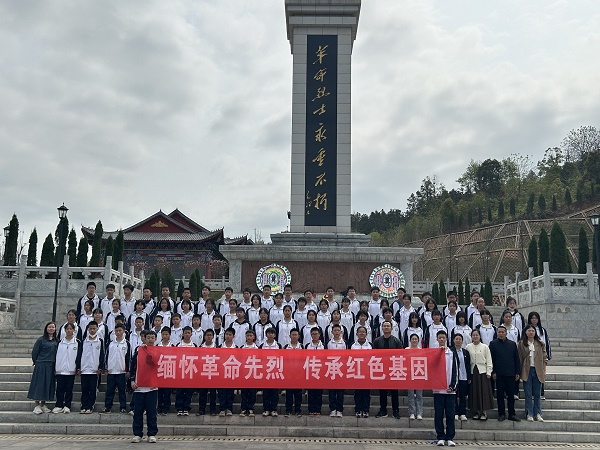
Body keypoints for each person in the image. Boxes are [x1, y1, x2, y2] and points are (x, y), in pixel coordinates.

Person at [130, 329, 158, 443]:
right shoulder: (138, 351)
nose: (150, 340)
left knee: (152, 412)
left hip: (152, 387)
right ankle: (138, 434)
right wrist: (132, 381)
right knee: (138, 412)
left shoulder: (158, 351)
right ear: (144, 339)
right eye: (148, 338)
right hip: (139, 387)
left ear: (155, 339)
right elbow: (133, 368)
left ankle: (151, 434)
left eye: (152, 337)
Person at [489, 326, 521, 422]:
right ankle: (501, 413)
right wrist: (493, 371)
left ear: (506, 333)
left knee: (511, 395)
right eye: (499, 332)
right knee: (500, 395)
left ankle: (512, 413)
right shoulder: (493, 344)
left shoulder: (512, 344)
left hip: (511, 374)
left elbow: (516, 359)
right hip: (499, 374)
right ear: (497, 333)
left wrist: (517, 372)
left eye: (503, 332)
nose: (501, 334)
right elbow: (491, 359)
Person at [433, 330, 458, 447]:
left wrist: (453, 386)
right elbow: (431, 369)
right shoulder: (433, 353)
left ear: (446, 339)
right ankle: (440, 437)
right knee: (438, 414)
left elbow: (455, 371)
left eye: (443, 337)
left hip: (450, 390)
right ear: (437, 339)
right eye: (440, 338)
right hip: (438, 389)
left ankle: (450, 437)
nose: (442, 339)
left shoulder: (452, 353)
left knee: (450, 414)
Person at [518, 324, 548, 422]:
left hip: (538, 370)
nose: (531, 332)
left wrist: (544, 369)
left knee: (537, 394)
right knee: (528, 393)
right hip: (527, 370)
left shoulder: (540, 343)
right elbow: (519, 358)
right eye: (529, 331)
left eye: (532, 331)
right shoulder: (522, 343)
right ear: (525, 332)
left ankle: (538, 413)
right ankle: (529, 413)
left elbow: (544, 357)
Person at [373, 320, 402, 419]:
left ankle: (395, 410)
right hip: (381, 369)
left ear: (391, 328)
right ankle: (383, 410)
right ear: (382, 328)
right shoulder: (377, 341)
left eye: (388, 326)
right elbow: (374, 355)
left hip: (393, 369)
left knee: (394, 391)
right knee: (382, 391)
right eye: (384, 326)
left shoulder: (396, 341)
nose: (386, 327)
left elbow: (400, 356)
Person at [28, 322, 58, 414]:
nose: (51, 329)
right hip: (41, 364)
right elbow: (35, 352)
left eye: (53, 327)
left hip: (51, 365)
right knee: (39, 384)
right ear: (46, 328)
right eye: (49, 327)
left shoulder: (56, 341)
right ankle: (37, 405)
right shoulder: (41, 340)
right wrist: (36, 362)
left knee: (47, 385)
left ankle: (43, 404)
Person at [53, 322, 82, 414]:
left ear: (74, 330)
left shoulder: (77, 342)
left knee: (69, 389)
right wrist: (55, 367)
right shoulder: (59, 342)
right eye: (67, 329)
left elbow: (79, 356)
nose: (69, 331)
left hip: (71, 370)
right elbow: (56, 355)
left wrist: (77, 367)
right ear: (64, 330)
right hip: (60, 369)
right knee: (60, 388)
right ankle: (59, 405)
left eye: (71, 329)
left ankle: (67, 405)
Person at [102, 324, 131, 414]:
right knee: (110, 390)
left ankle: (123, 407)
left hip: (121, 371)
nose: (118, 333)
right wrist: (106, 368)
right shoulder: (110, 343)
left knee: (122, 391)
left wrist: (128, 370)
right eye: (116, 331)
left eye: (120, 331)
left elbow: (128, 358)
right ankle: (108, 407)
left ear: (124, 331)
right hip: (111, 371)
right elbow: (106, 357)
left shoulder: (126, 343)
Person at [465, 329, 493, 421]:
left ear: (480, 336)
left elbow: (489, 360)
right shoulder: (468, 347)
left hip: (483, 372)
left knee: (483, 392)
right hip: (473, 372)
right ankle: (476, 412)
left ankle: (484, 412)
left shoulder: (485, 347)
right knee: (474, 392)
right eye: (473, 335)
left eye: (477, 335)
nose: (475, 337)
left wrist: (489, 372)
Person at [79, 321, 105, 414]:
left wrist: (100, 368)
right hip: (84, 369)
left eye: (94, 328)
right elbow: (79, 354)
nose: (92, 330)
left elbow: (102, 355)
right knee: (84, 389)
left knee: (92, 389)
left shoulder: (100, 341)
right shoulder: (83, 341)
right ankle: (84, 406)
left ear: (97, 329)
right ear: (87, 329)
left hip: (94, 370)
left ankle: (90, 406)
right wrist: (79, 367)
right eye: (90, 329)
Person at [528, 311, 551, 399]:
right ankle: (532, 393)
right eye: (532, 318)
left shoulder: (542, 330)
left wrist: (547, 355)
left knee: (541, 374)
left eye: (536, 318)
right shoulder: (526, 329)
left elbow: (546, 343)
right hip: (530, 354)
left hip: (540, 354)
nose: (534, 320)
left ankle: (541, 393)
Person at [351, 325, 371, 418]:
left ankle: (366, 410)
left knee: (366, 392)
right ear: (357, 334)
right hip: (356, 371)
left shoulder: (370, 345)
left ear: (366, 334)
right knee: (358, 392)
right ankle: (358, 409)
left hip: (367, 372)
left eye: (363, 332)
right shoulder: (353, 345)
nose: (362, 334)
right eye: (360, 332)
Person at [260, 328, 281, 416]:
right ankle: (266, 409)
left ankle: (274, 409)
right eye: (269, 333)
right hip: (265, 371)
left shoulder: (278, 345)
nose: (270, 335)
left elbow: (281, 358)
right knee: (266, 392)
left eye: (272, 333)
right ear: (266, 335)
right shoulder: (262, 345)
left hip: (275, 371)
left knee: (274, 392)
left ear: (275, 335)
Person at [327, 324, 347, 417]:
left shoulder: (344, 343)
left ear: (341, 332)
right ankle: (333, 409)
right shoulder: (328, 343)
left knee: (340, 392)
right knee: (332, 391)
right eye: (335, 330)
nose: (336, 332)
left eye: (338, 330)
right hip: (331, 369)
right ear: (332, 332)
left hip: (341, 369)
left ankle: (339, 410)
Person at [197, 328, 217, 416]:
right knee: (202, 393)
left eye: (210, 335)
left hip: (213, 372)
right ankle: (201, 409)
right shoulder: (200, 347)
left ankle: (212, 410)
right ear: (204, 336)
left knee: (213, 393)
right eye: (207, 335)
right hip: (203, 372)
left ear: (213, 337)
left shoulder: (217, 347)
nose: (209, 337)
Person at [305, 327, 324, 415]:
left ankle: (318, 409)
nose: (315, 336)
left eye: (316, 334)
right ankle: (311, 409)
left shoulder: (324, 345)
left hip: (320, 371)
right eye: (313, 334)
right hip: (310, 371)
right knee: (311, 392)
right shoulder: (307, 346)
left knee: (318, 393)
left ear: (319, 335)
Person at [284, 328, 303, 417]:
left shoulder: (302, 347)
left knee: (298, 393)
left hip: (299, 374)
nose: (294, 336)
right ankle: (288, 410)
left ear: (299, 336)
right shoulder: (286, 347)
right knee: (289, 393)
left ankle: (298, 410)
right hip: (289, 374)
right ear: (290, 336)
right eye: (293, 335)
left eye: (296, 335)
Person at [452, 333, 471, 422]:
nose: (458, 341)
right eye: (456, 339)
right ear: (453, 340)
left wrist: (469, 377)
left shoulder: (465, 352)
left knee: (463, 396)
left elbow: (468, 365)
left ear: (462, 341)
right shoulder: (451, 351)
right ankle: (455, 413)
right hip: (454, 378)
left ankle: (462, 413)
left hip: (464, 377)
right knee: (454, 396)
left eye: (460, 339)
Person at [240, 330, 258, 417]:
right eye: (248, 336)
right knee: (244, 392)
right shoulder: (242, 347)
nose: (249, 337)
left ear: (254, 337)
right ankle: (243, 409)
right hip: (244, 373)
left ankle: (251, 408)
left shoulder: (257, 348)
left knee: (252, 392)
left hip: (254, 373)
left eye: (251, 335)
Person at [406, 333, 423, 420]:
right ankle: (412, 412)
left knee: (419, 395)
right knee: (411, 394)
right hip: (409, 374)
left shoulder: (421, 351)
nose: (414, 340)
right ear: (410, 340)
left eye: (416, 339)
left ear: (418, 340)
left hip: (419, 374)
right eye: (412, 339)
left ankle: (419, 413)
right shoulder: (406, 350)